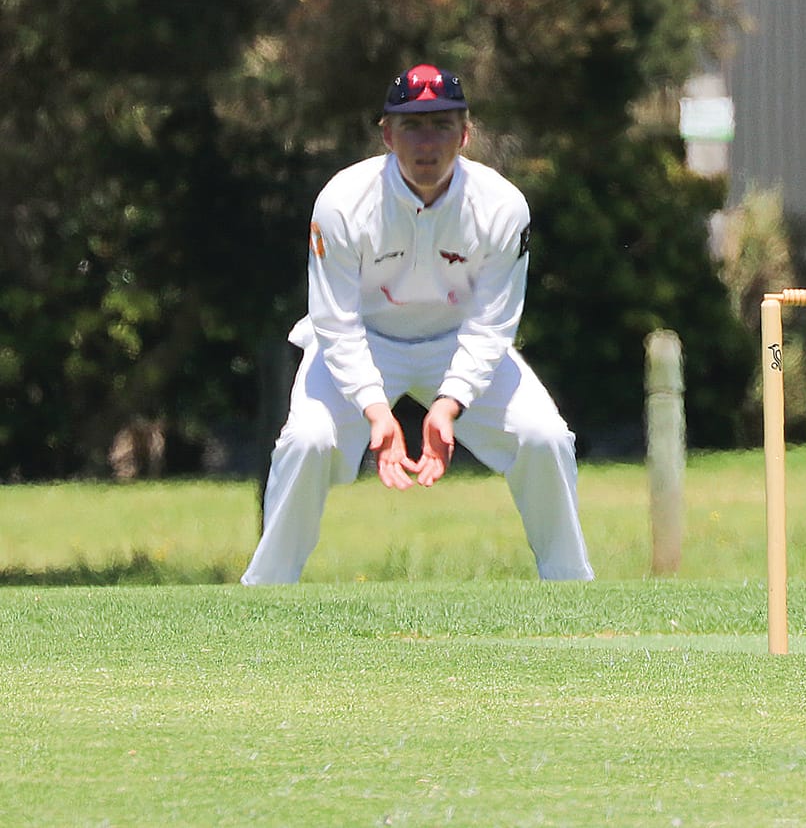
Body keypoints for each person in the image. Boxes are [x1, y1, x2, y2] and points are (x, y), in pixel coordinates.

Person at [241, 64, 594, 585]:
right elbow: (334, 322)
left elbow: (493, 322)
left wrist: (449, 404)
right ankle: (267, 592)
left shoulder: (502, 206)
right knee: (307, 441)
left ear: (465, 133)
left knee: (544, 437)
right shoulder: (341, 201)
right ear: (386, 134)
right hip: (362, 342)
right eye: (411, 126)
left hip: (459, 343)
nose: (427, 142)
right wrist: (377, 411)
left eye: (442, 125)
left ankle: (570, 589)